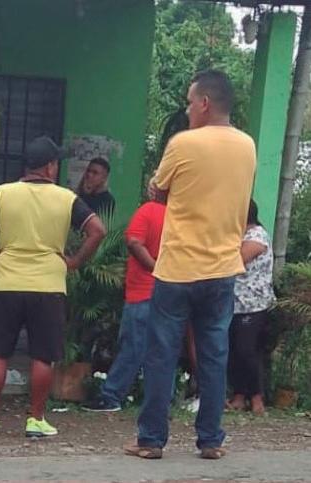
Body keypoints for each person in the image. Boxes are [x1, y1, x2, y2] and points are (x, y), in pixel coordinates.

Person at [125, 70, 256, 460]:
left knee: (162, 354)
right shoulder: (247, 146)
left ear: (204, 103)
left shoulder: (183, 143)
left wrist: (163, 189)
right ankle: (211, 439)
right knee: (214, 355)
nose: (186, 109)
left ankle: (151, 440)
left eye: (188, 101)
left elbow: (159, 190)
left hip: (178, 268)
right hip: (222, 270)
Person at [0, 136, 106, 437]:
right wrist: (74, 261)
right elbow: (97, 230)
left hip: (6, 283)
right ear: (50, 166)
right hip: (48, 285)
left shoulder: (2, 193)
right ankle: (36, 420)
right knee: (42, 356)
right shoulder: (66, 198)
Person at [82, 194, 166, 412]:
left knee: (132, 347)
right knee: (162, 348)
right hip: (168, 292)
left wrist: (155, 268)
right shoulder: (180, 215)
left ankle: (111, 396)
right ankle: (161, 401)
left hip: (143, 290)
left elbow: (134, 241)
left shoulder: (148, 211)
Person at [228, 199, 275, 415]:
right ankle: (239, 396)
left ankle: (257, 398)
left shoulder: (257, 236)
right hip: (235, 304)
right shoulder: (239, 236)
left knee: (248, 351)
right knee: (235, 351)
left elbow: (238, 259)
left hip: (253, 305)